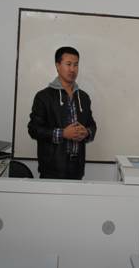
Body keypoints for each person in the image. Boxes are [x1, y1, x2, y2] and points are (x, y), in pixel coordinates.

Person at [28, 46, 97, 179]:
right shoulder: (43, 97)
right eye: (68, 64)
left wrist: (86, 133)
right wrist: (63, 133)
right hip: (51, 170)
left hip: (77, 169)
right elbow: (34, 129)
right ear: (58, 65)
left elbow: (92, 126)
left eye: (76, 65)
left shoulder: (83, 97)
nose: (72, 69)